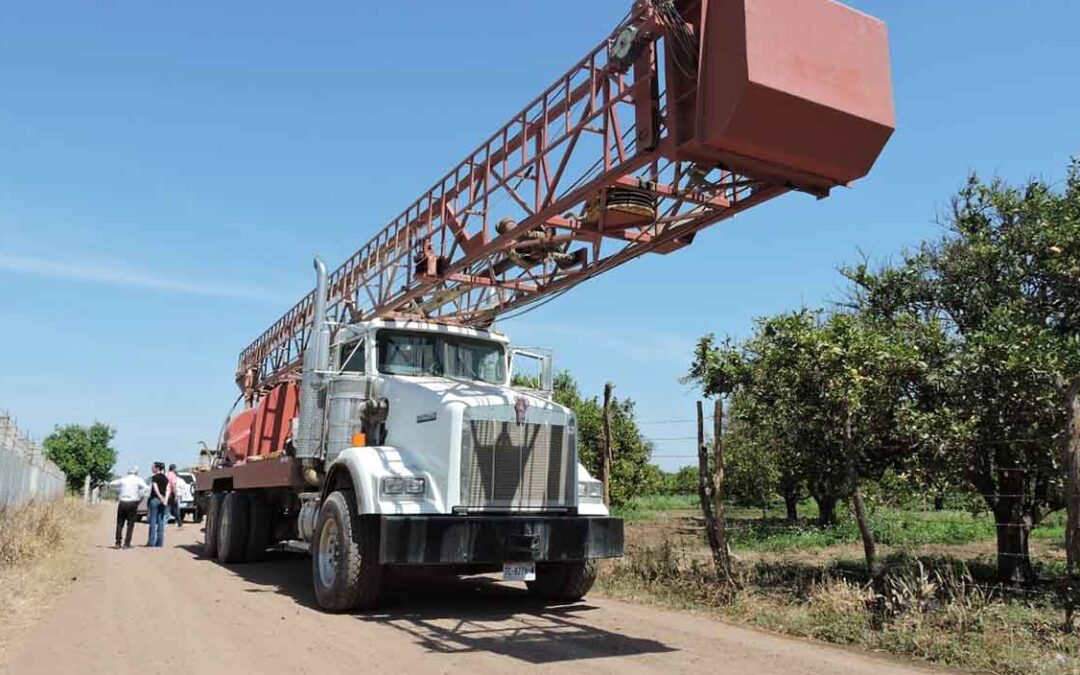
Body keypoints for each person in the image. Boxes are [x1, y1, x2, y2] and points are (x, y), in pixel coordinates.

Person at [108, 467, 148, 549]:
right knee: (130, 524)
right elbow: (146, 488)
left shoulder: (123, 479)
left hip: (122, 502)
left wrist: (118, 490)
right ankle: (127, 543)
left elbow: (111, 483)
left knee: (120, 523)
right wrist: (140, 495)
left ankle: (118, 542)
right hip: (133, 502)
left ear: (128, 472)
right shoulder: (138, 480)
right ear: (136, 473)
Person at [147, 462, 170, 547]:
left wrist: (160, 498)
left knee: (153, 521)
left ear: (157, 468)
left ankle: (151, 542)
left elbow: (156, 490)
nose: (152, 468)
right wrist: (165, 500)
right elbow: (168, 490)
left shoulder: (154, 478)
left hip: (155, 500)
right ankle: (160, 543)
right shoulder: (165, 478)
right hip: (163, 500)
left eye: (153, 467)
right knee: (161, 521)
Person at [166, 464, 182, 528]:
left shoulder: (166, 474)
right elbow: (173, 486)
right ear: (174, 469)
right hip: (171, 493)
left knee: (166, 509)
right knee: (175, 508)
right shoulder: (173, 475)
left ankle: (165, 523)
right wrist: (175, 495)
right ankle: (179, 522)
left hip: (166, 493)